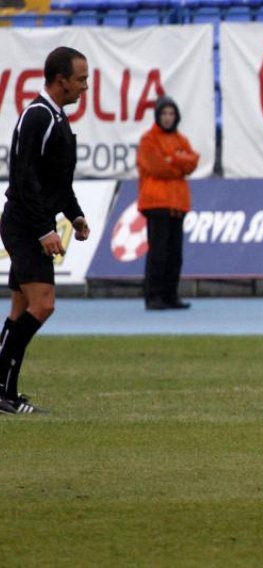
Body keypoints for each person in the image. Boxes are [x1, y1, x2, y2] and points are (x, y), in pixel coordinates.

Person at [0, 46, 91, 414]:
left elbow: (56, 181)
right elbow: (23, 179)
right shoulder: (38, 116)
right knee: (44, 304)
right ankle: (1, 390)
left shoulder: (56, 117)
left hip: (29, 222)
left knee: (21, 308)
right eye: (81, 79)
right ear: (60, 80)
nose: (85, 86)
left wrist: (75, 214)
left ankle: (5, 393)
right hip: (24, 225)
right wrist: (43, 230)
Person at [136, 96, 198, 311]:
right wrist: (178, 161)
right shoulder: (148, 139)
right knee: (158, 253)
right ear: (158, 116)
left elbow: (193, 161)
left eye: (171, 114)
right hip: (156, 202)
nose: (168, 118)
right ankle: (153, 296)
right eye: (164, 114)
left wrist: (173, 159)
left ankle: (170, 295)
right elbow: (157, 167)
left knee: (175, 254)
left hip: (178, 203)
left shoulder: (181, 139)